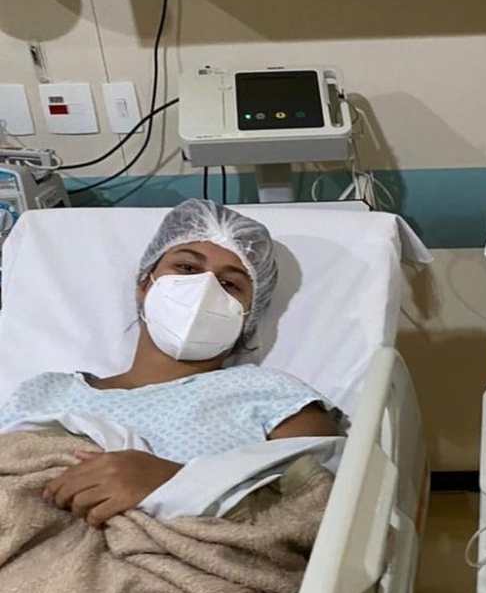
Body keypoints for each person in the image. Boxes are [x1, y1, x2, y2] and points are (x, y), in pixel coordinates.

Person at [0, 199, 339, 525]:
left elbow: (323, 501)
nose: (204, 288)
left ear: (249, 316)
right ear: (145, 283)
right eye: (187, 268)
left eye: (229, 284)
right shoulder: (46, 392)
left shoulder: (272, 393)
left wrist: (178, 482)